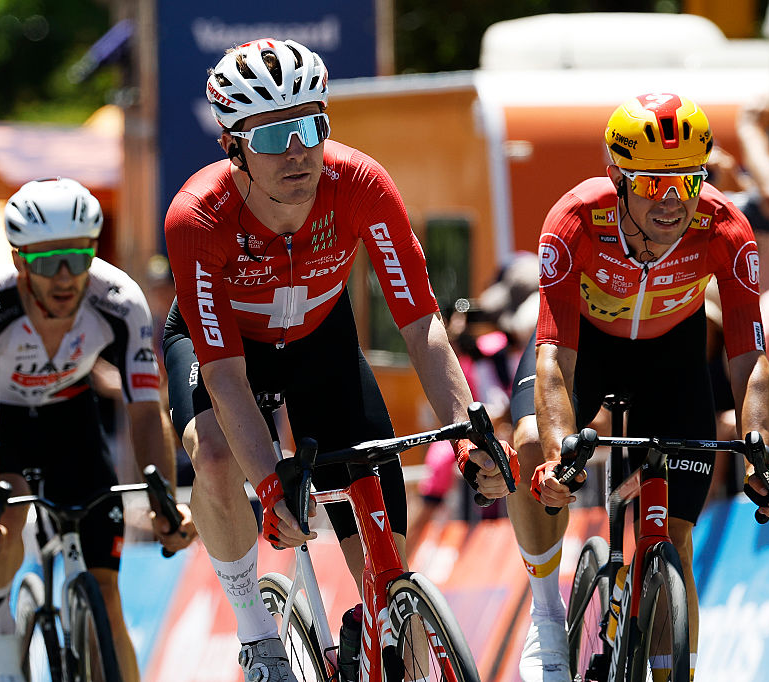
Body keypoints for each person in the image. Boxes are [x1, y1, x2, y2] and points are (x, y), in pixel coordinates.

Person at [162, 38, 517, 681]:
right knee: (213, 454)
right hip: (227, 351)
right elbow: (223, 376)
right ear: (231, 147)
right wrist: (271, 485)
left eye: (308, 126)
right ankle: (257, 637)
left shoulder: (360, 184)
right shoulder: (198, 218)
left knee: (388, 577)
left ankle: (388, 641)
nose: (297, 151)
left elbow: (420, 326)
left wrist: (469, 429)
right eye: (272, 136)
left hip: (321, 341)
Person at [505, 94, 769, 682]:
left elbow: (749, 358)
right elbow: (554, 355)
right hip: (586, 350)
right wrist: (563, 456)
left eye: (688, 181)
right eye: (654, 184)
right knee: (533, 441)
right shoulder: (575, 219)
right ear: (617, 177)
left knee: (677, 543)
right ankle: (545, 618)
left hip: (673, 357)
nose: (673, 202)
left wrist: (762, 453)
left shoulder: (724, 227)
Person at [0, 178, 196, 682]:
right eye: (47, 262)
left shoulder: (119, 299)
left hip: (71, 422)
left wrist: (166, 504)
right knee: (3, 528)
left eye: (78, 258)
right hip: (3, 427)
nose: (65, 277)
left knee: (107, 596)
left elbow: (144, 411)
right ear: (19, 261)